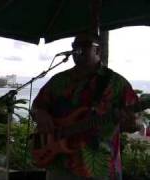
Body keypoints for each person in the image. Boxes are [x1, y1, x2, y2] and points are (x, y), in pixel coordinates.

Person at [31, 33, 140, 180]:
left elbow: (133, 124)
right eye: (74, 46)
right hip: (60, 165)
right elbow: (37, 106)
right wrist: (40, 113)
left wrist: (129, 123)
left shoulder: (117, 83)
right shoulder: (58, 80)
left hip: (100, 168)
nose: (77, 50)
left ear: (98, 51)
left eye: (84, 46)